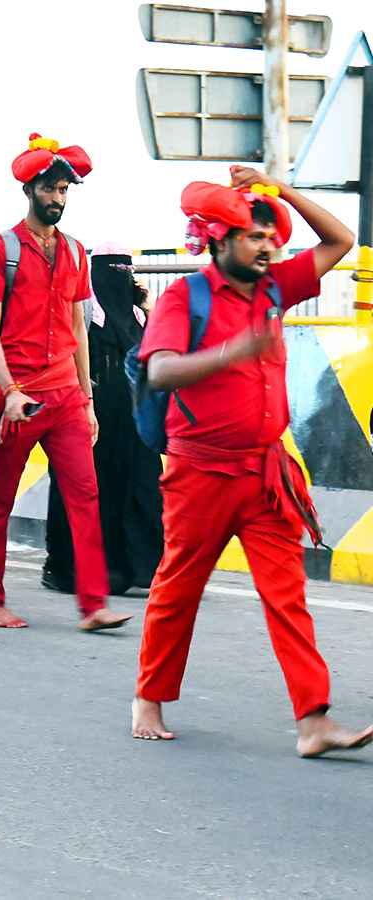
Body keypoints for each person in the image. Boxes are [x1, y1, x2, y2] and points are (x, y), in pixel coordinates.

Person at [131, 168, 372, 757]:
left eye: (272, 236)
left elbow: (340, 241)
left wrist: (280, 190)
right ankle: (149, 698)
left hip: (266, 475)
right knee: (177, 589)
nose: (268, 246)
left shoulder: (273, 289)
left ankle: (313, 720)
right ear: (217, 239)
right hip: (199, 475)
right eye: (253, 235)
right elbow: (159, 369)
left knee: (287, 595)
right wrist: (233, 350)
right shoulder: (187, 298)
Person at [0, 134, 130, 632]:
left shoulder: (77, 253)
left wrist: (87, 399)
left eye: (64, 189)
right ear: (30, 190)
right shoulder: (1, 250)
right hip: (20, 396)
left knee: (86, 495)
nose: (58, 198)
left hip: (65, 395)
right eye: (50, 188)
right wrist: (10, 390)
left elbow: (80, 327)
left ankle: (92, 604)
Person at [43, 243, 163, 596]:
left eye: (127, 271)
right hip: (88, 416)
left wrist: (150, 308)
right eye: (113, 270)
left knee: (143, 489)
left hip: (133, 422)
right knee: (87, 492)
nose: (120, 278)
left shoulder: (139, 317)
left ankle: (143, 570)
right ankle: (67, 568)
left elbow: (157, 355)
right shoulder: (83, 313)